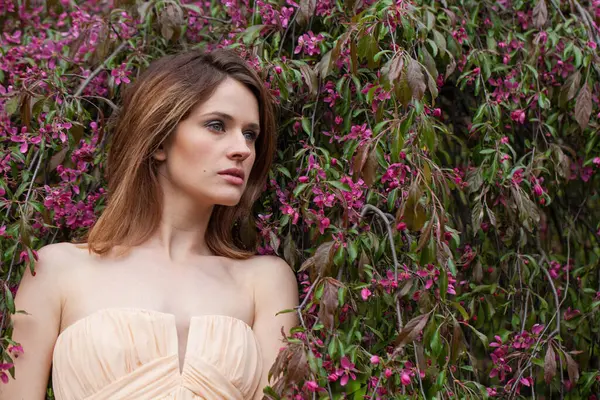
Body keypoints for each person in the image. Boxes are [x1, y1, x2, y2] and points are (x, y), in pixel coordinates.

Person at [1, 49, 299, 400]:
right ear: (159, 141)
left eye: (250, 134)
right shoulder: (57, 270)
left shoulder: (265, 281)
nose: (243, 149)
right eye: (217, 125)